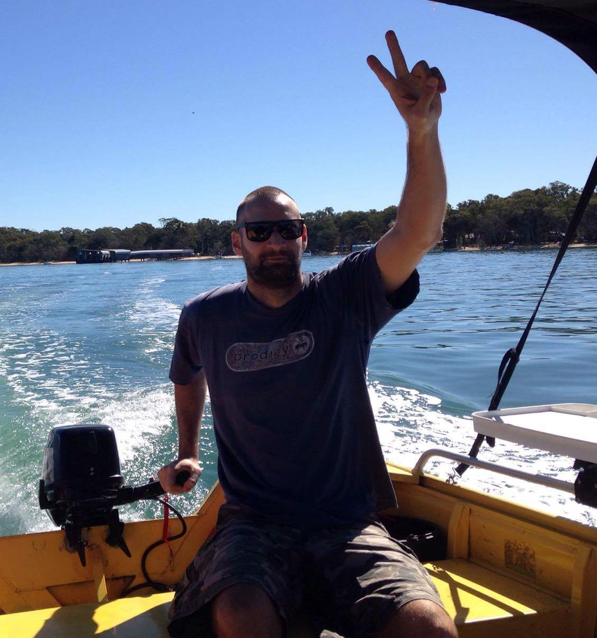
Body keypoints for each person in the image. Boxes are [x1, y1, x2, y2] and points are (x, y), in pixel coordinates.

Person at [158, 31, 457, 638]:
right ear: (237, 243)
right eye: (258, 231)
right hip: (252, 522)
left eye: (286, 229)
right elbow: (187, 377)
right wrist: (189, 450)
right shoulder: (204, 316)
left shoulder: (345, 296)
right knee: (240, 616)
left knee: (428, 626)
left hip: (347, 523)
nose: (274, 241)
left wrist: (421, 133)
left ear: (304, 237)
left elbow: (417, 233)